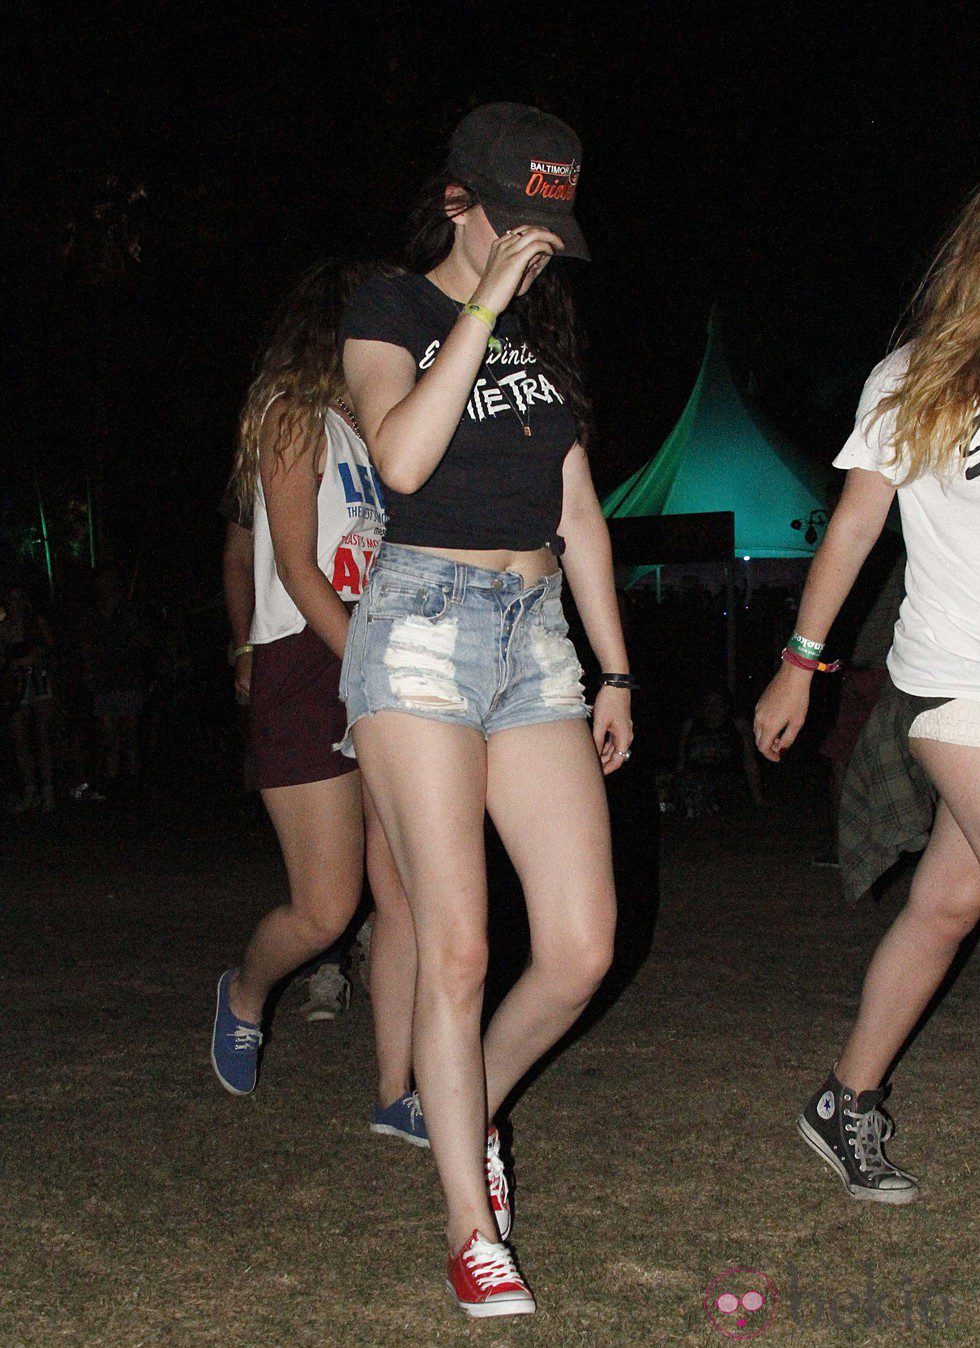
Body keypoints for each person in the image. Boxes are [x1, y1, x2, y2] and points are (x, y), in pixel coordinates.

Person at [340, 103, 631, 1317]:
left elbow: (576, 510)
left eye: (549, 228)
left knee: (576, 948)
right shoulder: (385, 305)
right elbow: (400, 461)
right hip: (418, 631)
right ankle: (472, 1226)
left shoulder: (546, 333)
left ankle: (466, 1110)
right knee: (455, 945)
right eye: (517, 222)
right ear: (458, 202)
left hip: (535, 642)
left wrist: (613, 670)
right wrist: (479, 312)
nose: (536, 249)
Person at [754, 186, 980, 1206]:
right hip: (955, 683)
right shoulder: (915, 376)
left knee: (945, 903)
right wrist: (799, 659)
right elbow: (849, 527)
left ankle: (843, 1101)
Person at [210, 261, 423, 1147]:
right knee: (328, 909)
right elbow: (295, 566)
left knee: (406, 891)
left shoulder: (375, 430)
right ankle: (248, 990)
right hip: (309, 664)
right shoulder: (293, 416)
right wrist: (358, 661)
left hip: (377, 661)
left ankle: (397, 1088)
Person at [219, 474, 353, 1022]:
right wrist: (244, 643)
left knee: (397, 877)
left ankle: (400, 1090)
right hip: (303, 653)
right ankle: (320, 966)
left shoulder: (387, 417)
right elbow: (239, 556)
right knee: (324, 883)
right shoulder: (282, 418)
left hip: (390, 639)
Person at [0, 583, 56, 812]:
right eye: (12, 599)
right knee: (20, 739)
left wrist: (33, 658)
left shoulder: (36, 622)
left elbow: (50, 650)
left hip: (39, 682)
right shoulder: (3, 628)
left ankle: (48, 790)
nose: (16, 603)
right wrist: (13, 664)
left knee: (42, 737)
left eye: (19, 598)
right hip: (15, 687)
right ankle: (30, 790)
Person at [676, 687, 764, 818]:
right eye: (708, 703)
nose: (713, 708)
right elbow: (681, 758)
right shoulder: (692, 726)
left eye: (718, 702)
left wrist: (758, 798)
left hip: (727, 779)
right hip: (698, 779)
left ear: (726, 706)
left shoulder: (736, 725)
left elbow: (750, 762)